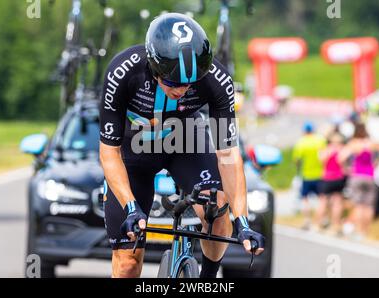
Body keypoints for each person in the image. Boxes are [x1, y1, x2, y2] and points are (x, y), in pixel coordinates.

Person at [99, 13, 264, 278]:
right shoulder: (123, 72)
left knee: (217, 213)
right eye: (173, 82)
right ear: (154, 66)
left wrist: (241, 220)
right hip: (134, 150)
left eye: (191, 82)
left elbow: (228, 155)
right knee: (128, 263)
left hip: (186, 142)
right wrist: (131, 207)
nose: (183, 90)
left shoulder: (217, 80)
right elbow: (109, 152)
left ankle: (207, 279)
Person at [338, 122, 379, 239]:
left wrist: (346, 168)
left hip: (356, 176)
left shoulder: (354, 144)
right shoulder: (371, 144)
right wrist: (376, 163)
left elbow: (341, 158)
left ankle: (359, 231)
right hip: (370, 176)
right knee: (369, 206)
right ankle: (365, 232)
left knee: (359, 205)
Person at [292, 121, 326, 230]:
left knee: (305, 199)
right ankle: (320, 220)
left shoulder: (301, 142)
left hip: (306, 174)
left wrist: (299, 168)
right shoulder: (320, 140)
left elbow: (296, 160)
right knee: (322, 198)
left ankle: (307, 220)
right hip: (320, 174)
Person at [314, 133, 346, 235]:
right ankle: (335, 226)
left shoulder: (326, 149)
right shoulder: (343, 149)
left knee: (322, 202)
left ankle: (317, 225)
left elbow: (321, 161)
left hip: (327, 178)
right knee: (337, 203)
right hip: (339, 178)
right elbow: (343, 163)